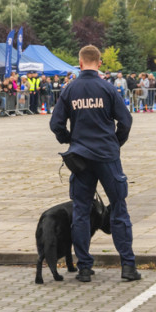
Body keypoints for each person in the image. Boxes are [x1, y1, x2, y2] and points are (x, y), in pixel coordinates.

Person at [49, 44, 139, 283]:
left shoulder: (69, 90)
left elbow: (56, 124)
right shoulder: (107, 89)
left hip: (81, 160)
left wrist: (70, 140)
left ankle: (84, 268)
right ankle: (128, 267)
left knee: (80, 211)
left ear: (79, 63)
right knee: (118, 209)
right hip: (107, 157)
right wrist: (115, 142)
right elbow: (126, 120)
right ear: (99, 63)